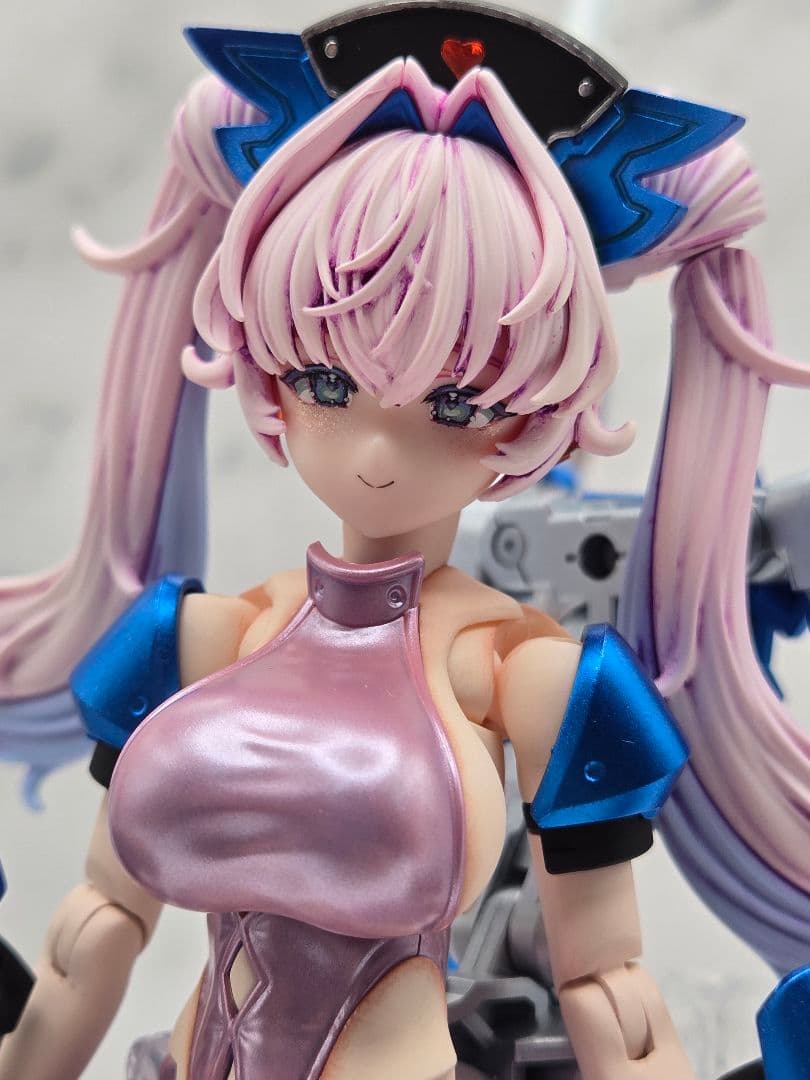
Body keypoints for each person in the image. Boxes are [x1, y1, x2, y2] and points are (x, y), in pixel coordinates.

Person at [1, 4, 808, 1078]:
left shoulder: (530, 679)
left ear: (533, 416)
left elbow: (608, 986)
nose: (379, 450)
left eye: (458, 405)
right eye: (327, 382)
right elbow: (96, 926)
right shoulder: (195, 638)